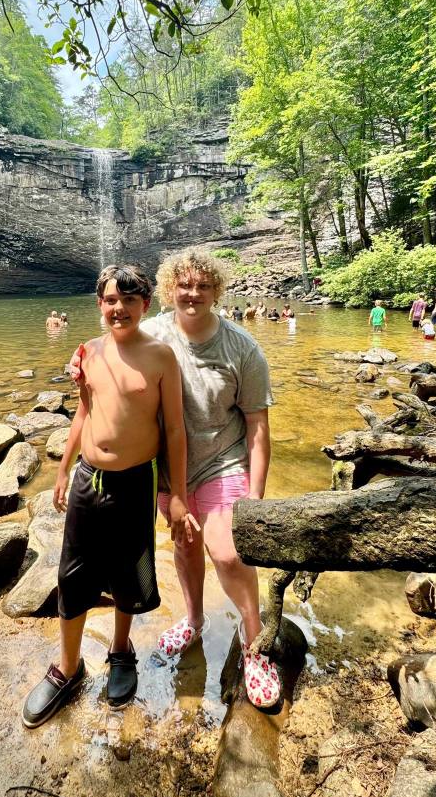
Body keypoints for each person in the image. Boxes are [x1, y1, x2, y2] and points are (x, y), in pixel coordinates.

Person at [70, 249, 281, 710]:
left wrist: (257, 499)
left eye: (203, 286)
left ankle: (254, 642)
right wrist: (79, 356)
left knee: (226, 552)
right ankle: (193, 620)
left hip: (223, 461)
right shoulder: (156, 331)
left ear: (217, 291)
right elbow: (115, 337)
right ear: (168, 291)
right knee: (186, 546)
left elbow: (259, 427)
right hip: (170, 472)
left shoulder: (242, 347)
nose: (193, 294)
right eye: (184, 286)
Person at [22, 264, 194, 728]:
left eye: (128, 300)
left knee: (129, 571)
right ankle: (68, 667)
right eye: (109, 301)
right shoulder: (89, 352)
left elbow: (175, 430)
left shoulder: (161, 357)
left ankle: (121, 650)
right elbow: (84, 412)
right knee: (73, 574)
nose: (118, 308)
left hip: (135, 484)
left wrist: (176, 495)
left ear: (145, 304)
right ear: (100, 306)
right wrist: (62, 469)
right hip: (87, 479)